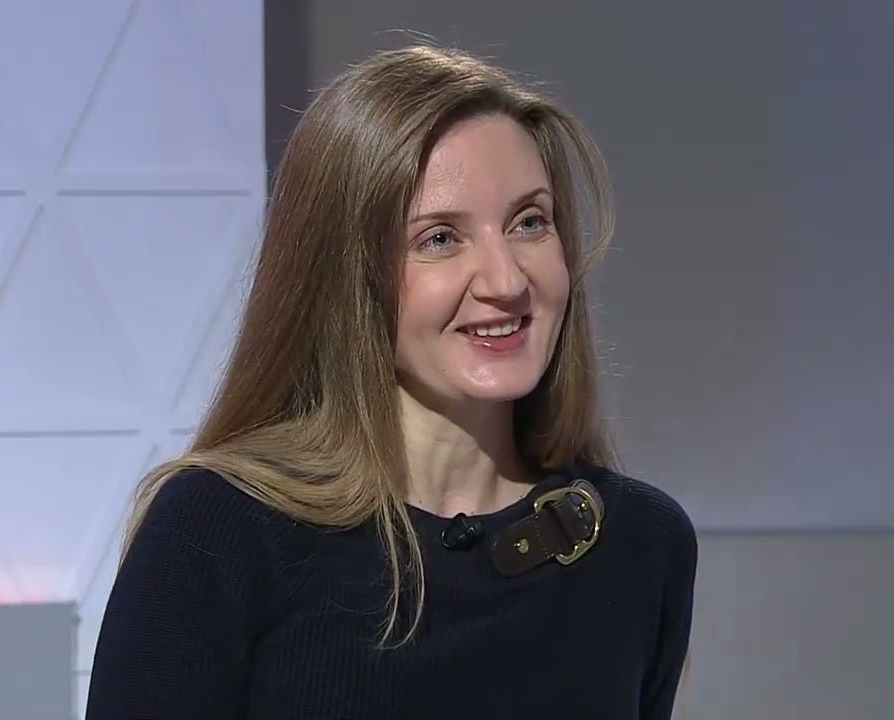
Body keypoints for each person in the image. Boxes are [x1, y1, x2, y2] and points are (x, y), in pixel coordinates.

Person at [84, 43, 697, 719]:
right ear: (346, 277)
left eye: (529, 223)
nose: (506, 281)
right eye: (440, 238)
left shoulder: (641, 544)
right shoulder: (218, 531)